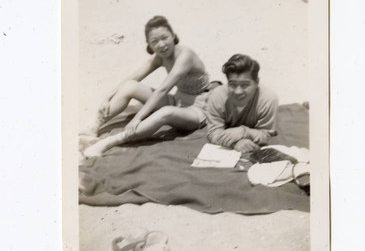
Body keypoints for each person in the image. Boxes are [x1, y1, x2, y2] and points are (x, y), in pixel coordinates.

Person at [84, 16, 211, 157]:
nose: (161, 45)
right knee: (130, 86)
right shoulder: (159, 57)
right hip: (177, 100)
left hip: (198, 109)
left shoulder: (186, 55)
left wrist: (138, 117)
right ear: (149, 45)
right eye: (155, 41)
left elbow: (163, 89)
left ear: (173, 36)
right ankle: (94, 127)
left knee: (166, 112)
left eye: (165, 37)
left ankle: (109, 142)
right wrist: (107, 98)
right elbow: (132, 78)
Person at [206, 54, 278, 153]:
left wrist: (244, 132)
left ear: (257, 82)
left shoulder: (268, 99)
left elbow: (266, 135)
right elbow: (213, 132)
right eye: (233, 85)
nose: (238, 91)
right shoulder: (217, 95)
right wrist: (235, 143)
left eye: (245, 85)